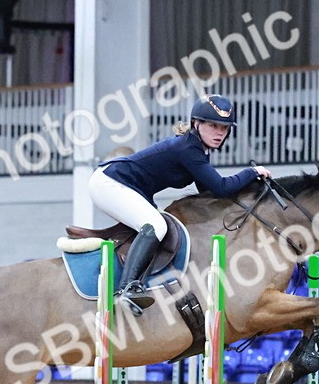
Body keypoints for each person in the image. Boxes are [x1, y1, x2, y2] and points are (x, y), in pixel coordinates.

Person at [88, 93, 271, 312]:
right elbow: (222, 187)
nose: (219, 133)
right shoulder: (188, 149)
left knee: (156, 225)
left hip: (121, 184)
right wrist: (252, 172)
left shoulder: (195, 150)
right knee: (156, 226)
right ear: (196, 123)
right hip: (110, 183)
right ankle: (127, 288)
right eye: (213, 125)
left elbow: (212, 194)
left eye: (224, 128)